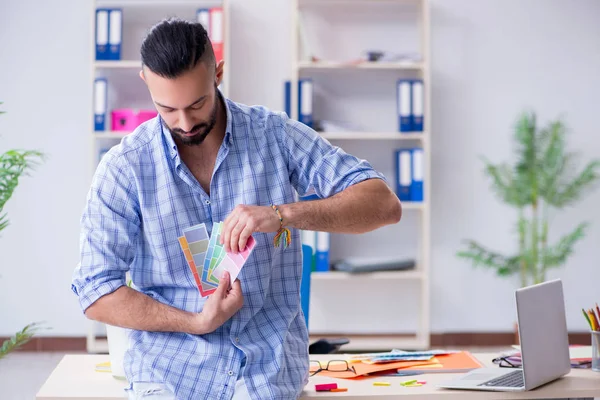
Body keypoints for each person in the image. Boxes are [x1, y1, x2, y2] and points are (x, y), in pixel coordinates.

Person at [72, 17, 402, 400]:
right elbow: (95, 291)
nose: (185, 123)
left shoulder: (274, 135)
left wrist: (282, 214)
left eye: (197, 104)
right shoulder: (125, 167)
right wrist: (195, 322)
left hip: (267, 374)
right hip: (168, 374)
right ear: (146, 82)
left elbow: (383, 204)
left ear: (218, 74)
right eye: (167, 109)